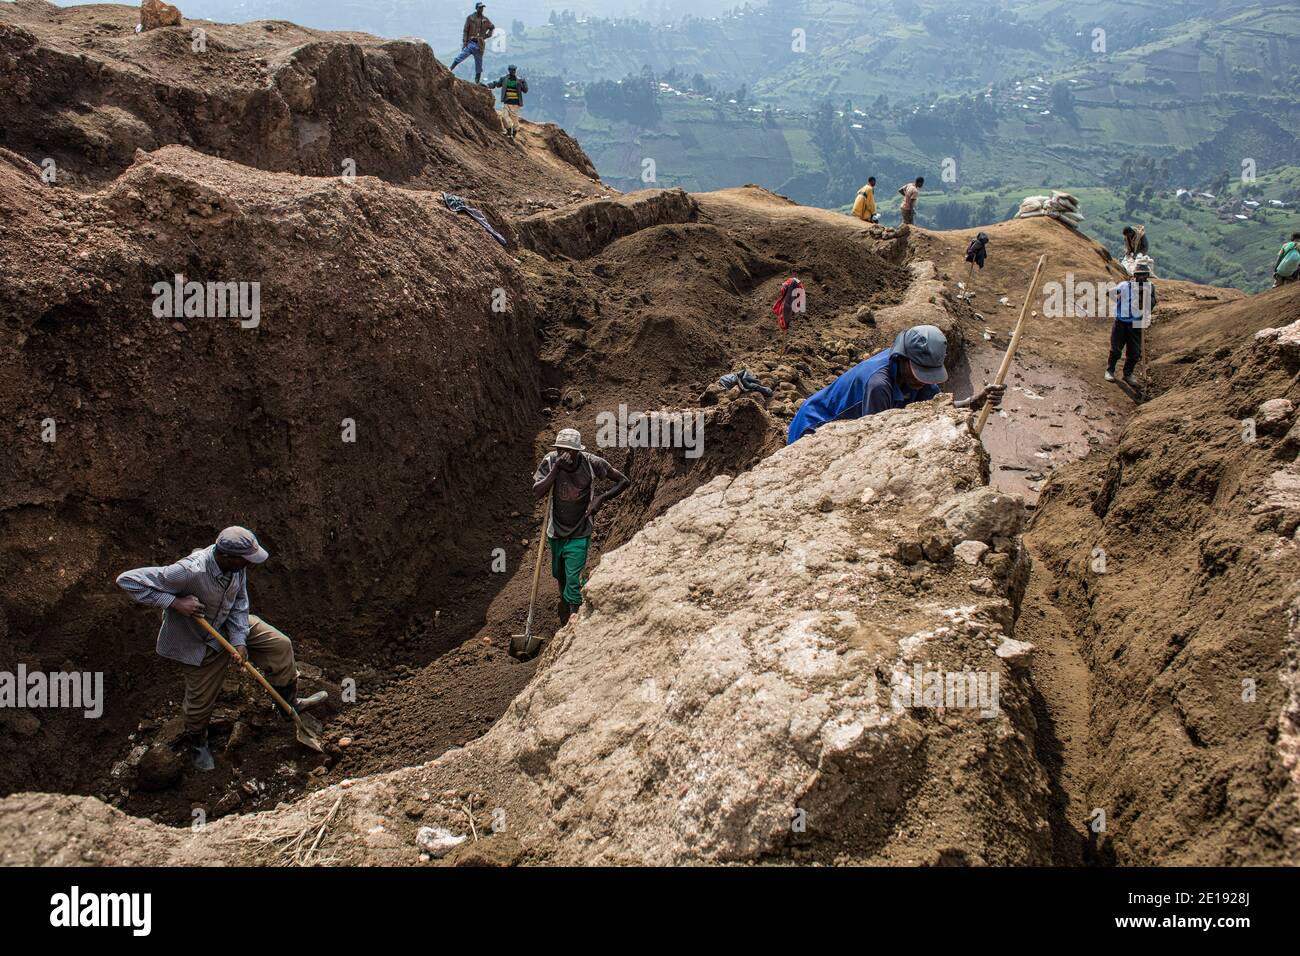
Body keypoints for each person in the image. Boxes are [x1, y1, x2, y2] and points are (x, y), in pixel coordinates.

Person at [116, 527, 322, 771]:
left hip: (227, 623)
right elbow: (128, 580)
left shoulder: (236, 568)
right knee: (199, 703)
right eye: (245, 559)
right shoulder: (188, 571)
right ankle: (197, 743)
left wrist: (239, 640)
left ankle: (288, 705)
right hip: (197, 640)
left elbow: (239, 603)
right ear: (226, 556)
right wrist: (175, 602)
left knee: (279, 645)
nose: (249, 564)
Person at [787, 325, 1004, 444]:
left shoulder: (917, 380)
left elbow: (933, 411)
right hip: (813, 428)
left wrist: (972, 403)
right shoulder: (878, 385)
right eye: (921, 373)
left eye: (929, 374)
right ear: (902, 358)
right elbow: (874, 440)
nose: (924, 380)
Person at [532, 429, 629, 627]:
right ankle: (567, 599)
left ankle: (573, 623)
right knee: (560, 574)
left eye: (569, 451)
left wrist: (600, 499)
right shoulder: (551, 462)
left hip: (580, 531)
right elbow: (537, 492)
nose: (564, 455)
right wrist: (556, 469)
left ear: (578, 451)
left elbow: (623, 480)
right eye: (560, 450)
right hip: (555, 531)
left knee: (573, 582)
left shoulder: (592, 463)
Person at [1106, 261, 1156, 388]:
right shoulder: (1124, 286)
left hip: (1137, 322)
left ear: (1147, 276)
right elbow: (1110, 293)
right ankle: (1110, 370)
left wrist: (1145, 300)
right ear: (1134, 275)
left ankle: (1128, 374)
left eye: (1144, 275)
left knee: (1134, 352)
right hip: (1121, 322)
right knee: (1116, 348)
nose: (1141, 277)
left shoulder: (1149, 287)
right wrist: (1119, 303)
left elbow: (1152, 302)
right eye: (1139, 275)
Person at [450, 2, 495, 84]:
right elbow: (465, 31)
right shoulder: (470, 18)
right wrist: (464, 42)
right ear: (476, 8)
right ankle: (450, 69)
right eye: (480, 8)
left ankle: (477, 82)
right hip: (471, 43)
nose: (481, 9)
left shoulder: (485, 19)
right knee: (460, 56)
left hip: (480, 44)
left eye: (482, 8)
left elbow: (492, 27)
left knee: (479, 64)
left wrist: (487, 35)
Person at [487, 65, 528, 140]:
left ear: (515, 71)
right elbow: (497, 84)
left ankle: (513, 134)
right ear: (509, 70)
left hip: (515, 103)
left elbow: (525, 90)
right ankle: (509, 131)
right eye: (511, 70)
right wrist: (488, 85)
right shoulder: (504, 79)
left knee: (514, 119)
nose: (512, 71)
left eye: (513, 70)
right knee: (504, 116)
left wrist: (523, 83)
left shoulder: (519, 80)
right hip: (507, 101)